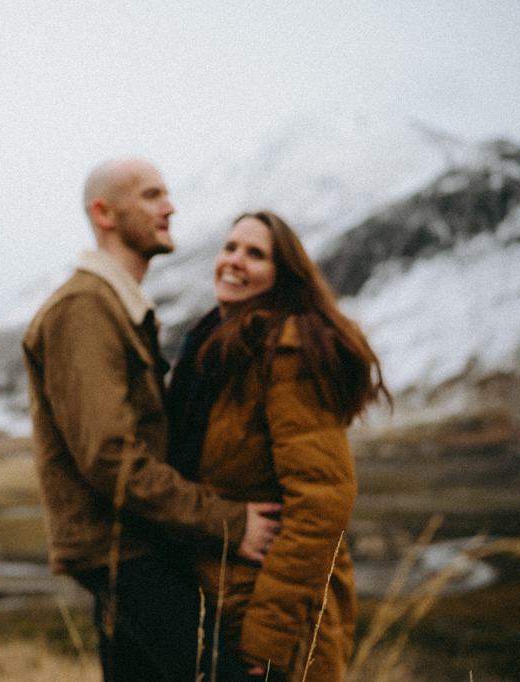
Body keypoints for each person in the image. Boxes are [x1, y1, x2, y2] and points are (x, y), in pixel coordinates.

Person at [22, 159, 281, 681]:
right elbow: (110, 456)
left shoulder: (116, 307)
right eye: (151, 195)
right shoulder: (84, 311)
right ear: (105, 213)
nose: (171, 207)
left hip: (139, 548)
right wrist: (229, 523)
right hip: (126, 555)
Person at [166, 211, 391, 681]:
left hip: (276, 624)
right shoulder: (218, 350)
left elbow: (322, 501)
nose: (235, 261)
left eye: (255, 254)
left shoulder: (288, 354)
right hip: (226, 602)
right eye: (230, 248)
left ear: (281, 274)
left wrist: (268, 636)